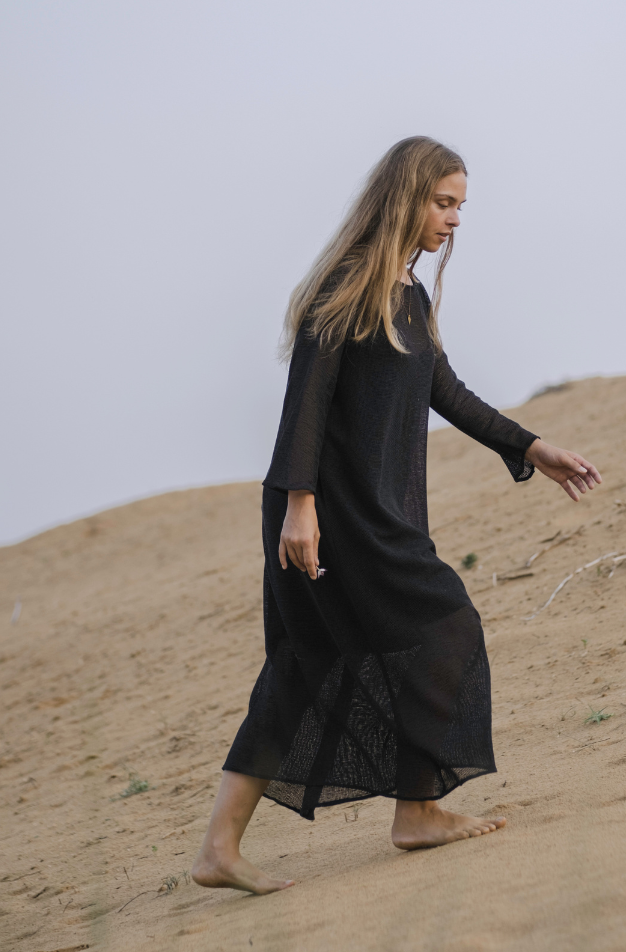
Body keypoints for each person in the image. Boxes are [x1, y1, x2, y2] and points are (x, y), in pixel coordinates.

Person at [191, 137, 601, 894]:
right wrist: (300, 508)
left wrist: (531, 446)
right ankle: (415, 808)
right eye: (444, 203)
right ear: (405, 197)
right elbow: (303, 409)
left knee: (303, 665)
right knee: (445, 624)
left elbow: (445, 389)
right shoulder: (346, 287)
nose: (453, 220)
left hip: (367, 507)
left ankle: (224, 848)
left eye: (460, 207)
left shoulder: (406, 295)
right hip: (330, 511)